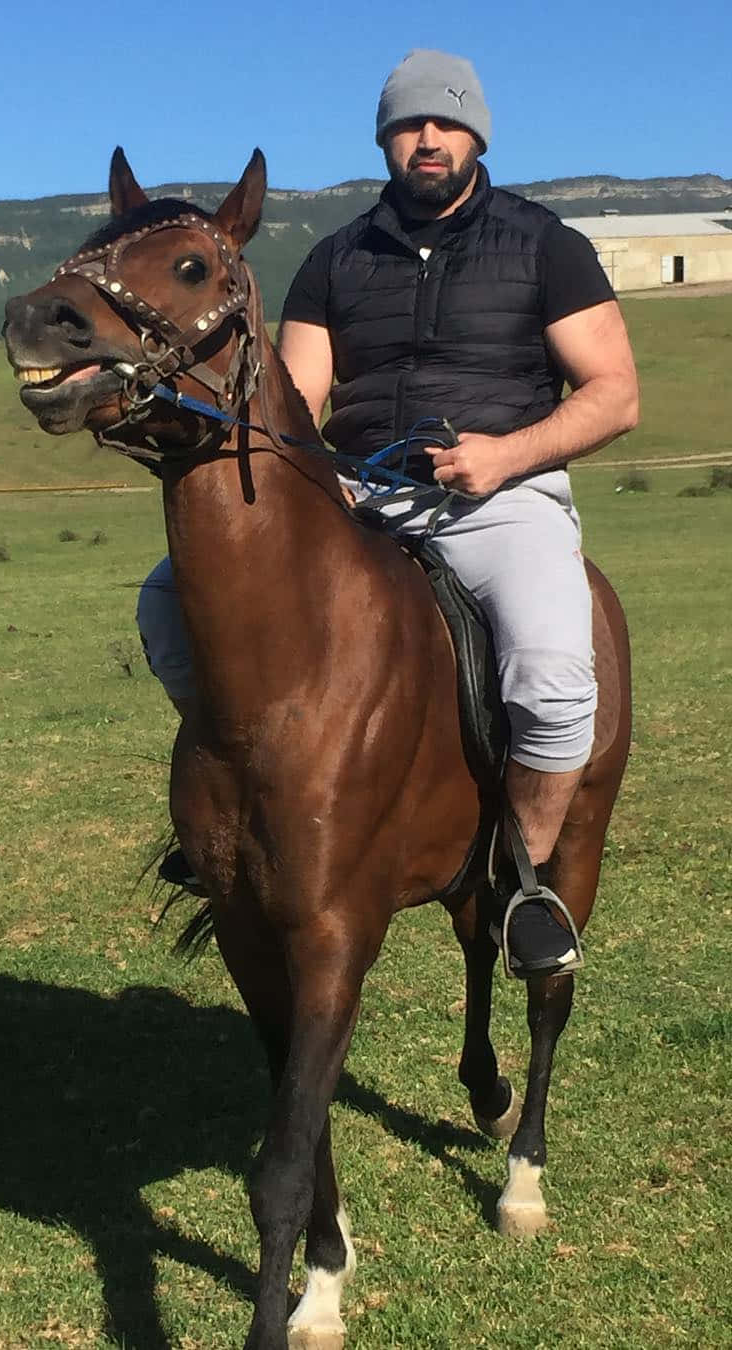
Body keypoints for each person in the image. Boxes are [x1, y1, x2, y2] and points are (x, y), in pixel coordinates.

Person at [139, 50, 640, 978]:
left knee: (555, 673)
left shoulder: (544, 245)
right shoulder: (337, 258)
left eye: (447, 124)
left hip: (501, 498)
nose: (429, 139)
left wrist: (507, 454)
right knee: (166, 602)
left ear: (477, 136)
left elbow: (614, 395)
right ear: (386, 139)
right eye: (410, 125)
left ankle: (524, 880)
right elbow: (296, 400)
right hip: (364, 494)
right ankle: (240, 816)